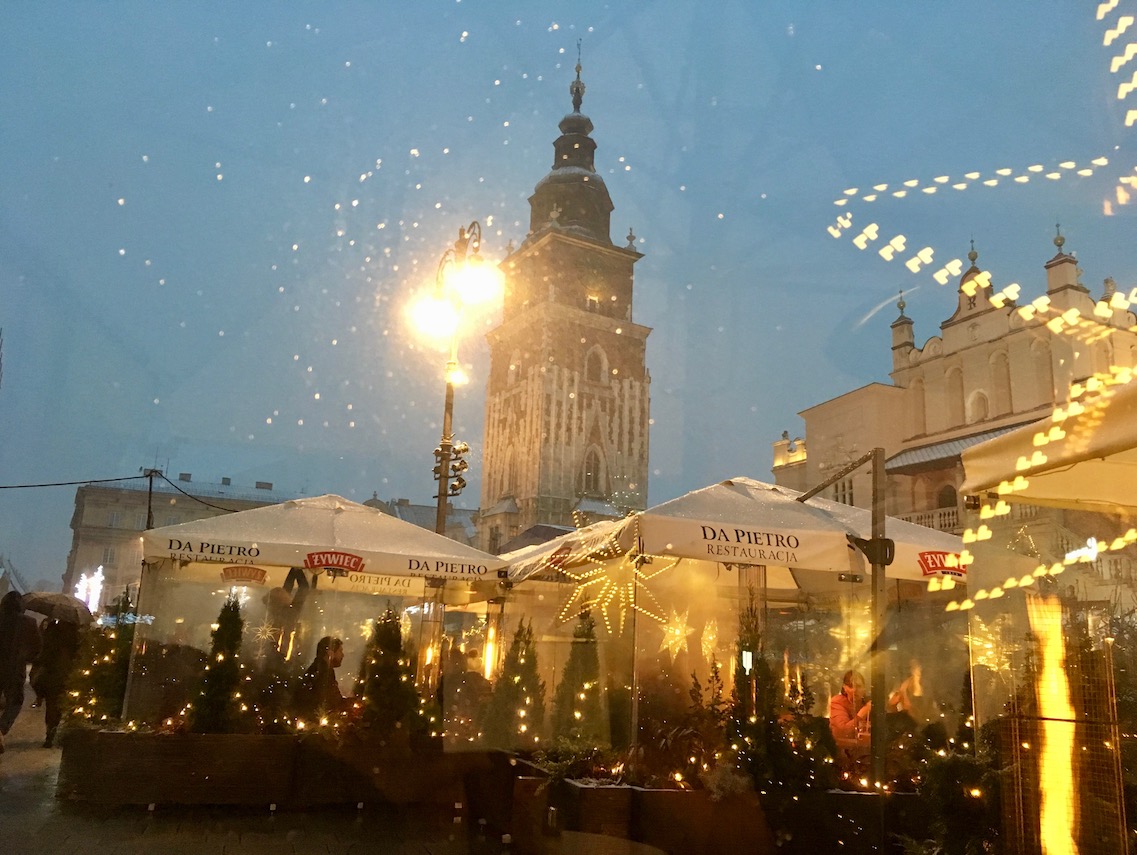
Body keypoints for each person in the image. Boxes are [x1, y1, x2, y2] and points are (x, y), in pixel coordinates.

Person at [0, 591, 43, 751]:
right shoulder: (29, 622)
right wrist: (26, 657)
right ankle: (2, 728)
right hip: (15, 669)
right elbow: (38, 647)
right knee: (15, 702)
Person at [32, 620, 81, 748]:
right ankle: (56, 731)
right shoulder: (76, 635)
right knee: (61, 706)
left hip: (52, 674)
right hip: (69, 675)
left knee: (52, 705)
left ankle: (50, 732)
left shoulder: (53, 630)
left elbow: (44, 653)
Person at [292, 635, 351, 720]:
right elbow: (332, 702)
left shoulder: (320, 669)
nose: (342, 655)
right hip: (316, 722)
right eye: (340, 651)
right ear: (330, 653)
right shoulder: (324, 672)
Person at [829, 669, 871, 768]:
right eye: (851, 686)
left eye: (859, 686)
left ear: (864, 688)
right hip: (844, 756)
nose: (855, 690)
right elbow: (843, 731)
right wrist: (863, 713)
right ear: (844, 688)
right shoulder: (837, 703)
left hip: (867, 755)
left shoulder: (868, 703)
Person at [887, 658, 929, 723]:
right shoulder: (904, 686)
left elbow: (929, 702)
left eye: (918, 667)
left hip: (925, 719)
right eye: (914, 667)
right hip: (910, 720)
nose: (918, 670)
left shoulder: (926, 684)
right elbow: (892, 704)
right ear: (911, 670)